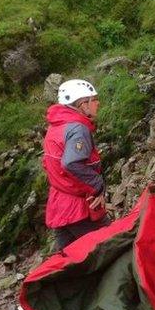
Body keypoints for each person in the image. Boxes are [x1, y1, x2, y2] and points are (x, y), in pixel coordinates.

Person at [42, 79, 110, 250]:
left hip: (60, 205)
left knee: (68, 262)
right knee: (111, 247)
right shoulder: (77, 129)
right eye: (93, 99)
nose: (98, 103)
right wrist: (98, 185)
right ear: (83, 104)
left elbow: (50, 164)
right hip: (79, 209)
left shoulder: (56, 126)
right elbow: (71, 163)